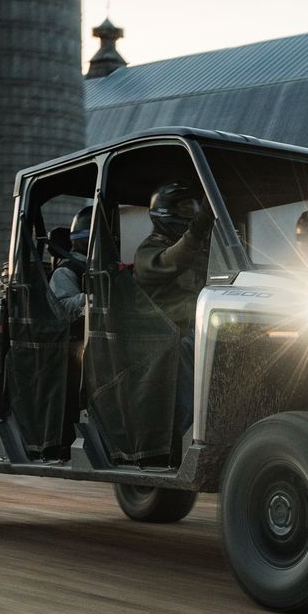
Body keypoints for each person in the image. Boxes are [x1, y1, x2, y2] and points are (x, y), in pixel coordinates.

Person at [134, 181, 214, 438]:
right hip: (161, 336)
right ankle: (190, 436)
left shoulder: (198, 252)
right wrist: (199, 227)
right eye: (184, 208)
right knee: (188, 347)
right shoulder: (148, 252)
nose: (190, 214)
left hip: (197, 328)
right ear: (165, 213)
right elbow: (174, 260)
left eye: (193, 208)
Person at [48, 206, 90, 323]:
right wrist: (92, 298)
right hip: (77, 337)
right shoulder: (65, 271)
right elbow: (61, 309)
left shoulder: (104, 267)